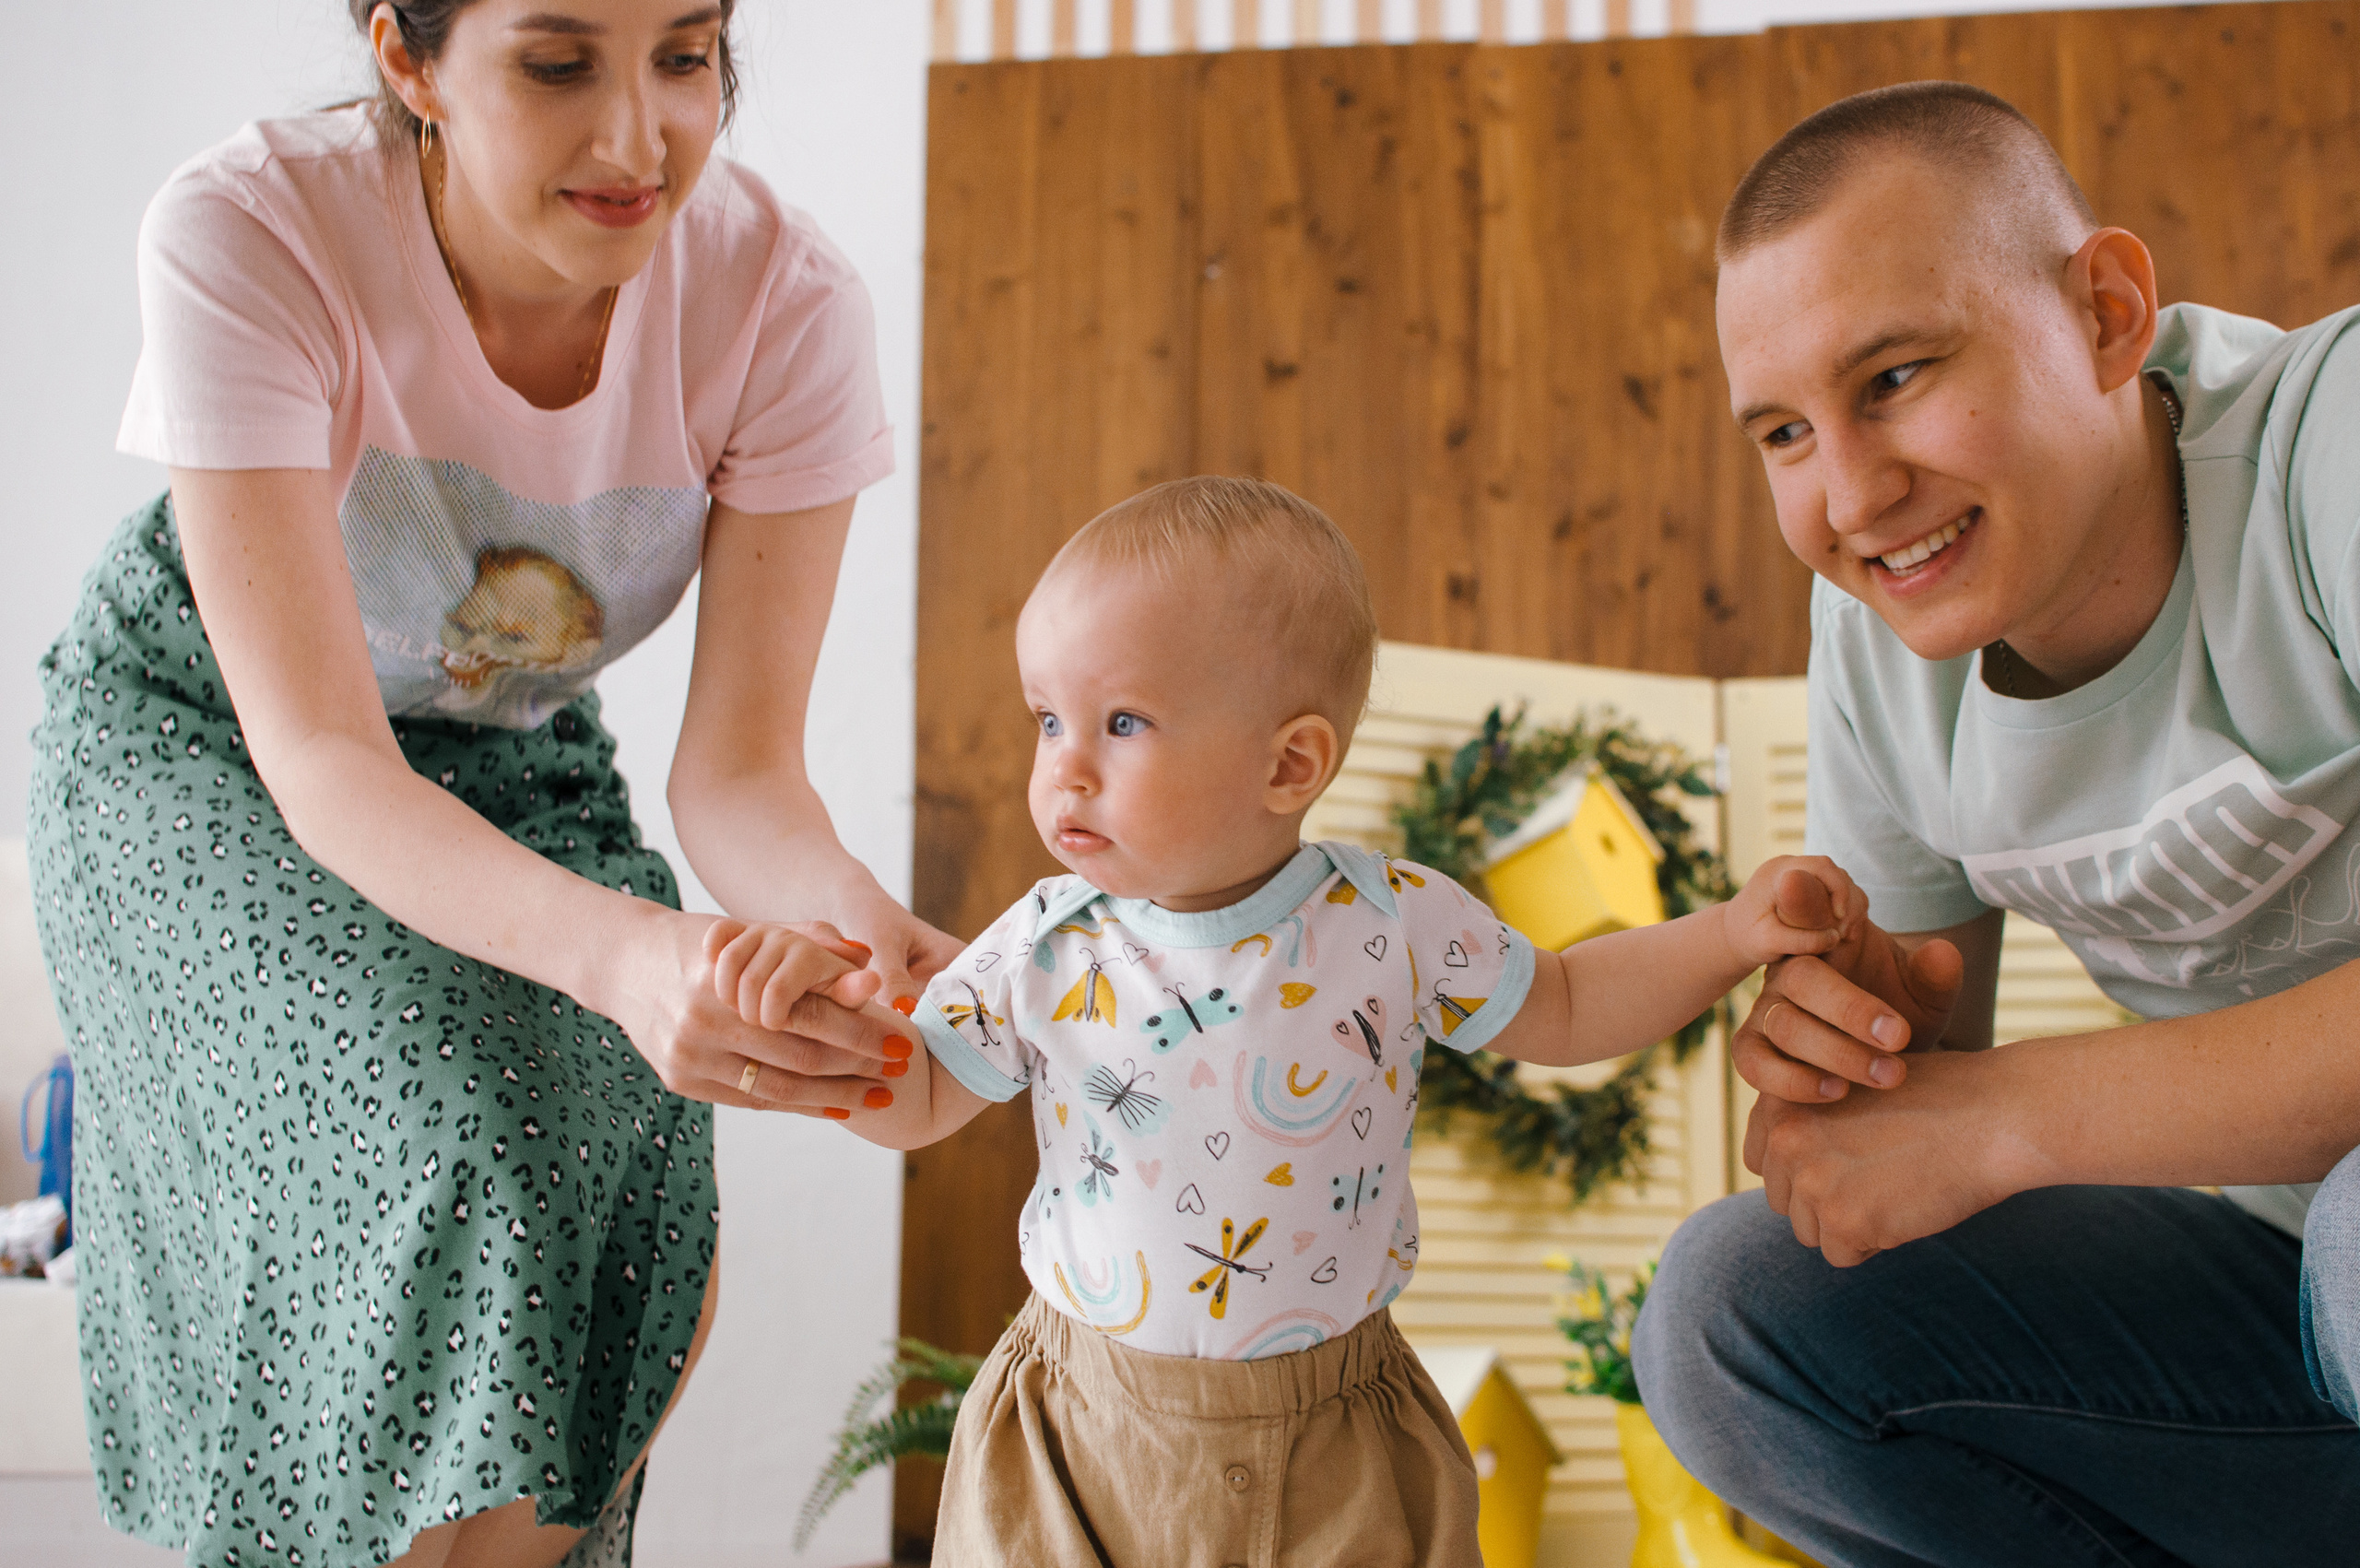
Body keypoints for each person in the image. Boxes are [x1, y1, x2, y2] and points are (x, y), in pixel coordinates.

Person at [30, 3, 956, 1564]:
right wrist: (632, 958)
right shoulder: (256, 229)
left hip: (510, 748)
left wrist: (868, 957)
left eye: (685, 55)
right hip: (207, 734)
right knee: (446, 1140)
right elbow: (324, 756)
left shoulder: (783, 306)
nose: (638, 137)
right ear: (408, 58)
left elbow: (740, 777)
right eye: (556, 62)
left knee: (632, 1163)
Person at [704, 475, 1867, 1565]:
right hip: (1079, 1428)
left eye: (1121, 724)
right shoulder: (1046, 942)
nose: (1064, 770)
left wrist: (1729, 933)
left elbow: (1564, 1004)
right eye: (1047, 720)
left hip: (1337, 1439)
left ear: (1289, 764)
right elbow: (914, 1096)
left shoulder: (1392, 921)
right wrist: (810, 1017)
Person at [1631, 81, 2360, 1564]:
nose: (1852, 495)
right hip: (2296, 1322)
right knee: (1741, 1307)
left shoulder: (2331, 443)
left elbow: (1991, 1121)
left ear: (2107, 313)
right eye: (1785, 431)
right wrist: (1858, 1062)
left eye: (1895, 376)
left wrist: (2010, 1115)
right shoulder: (1880, 653)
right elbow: (1915, 1127)